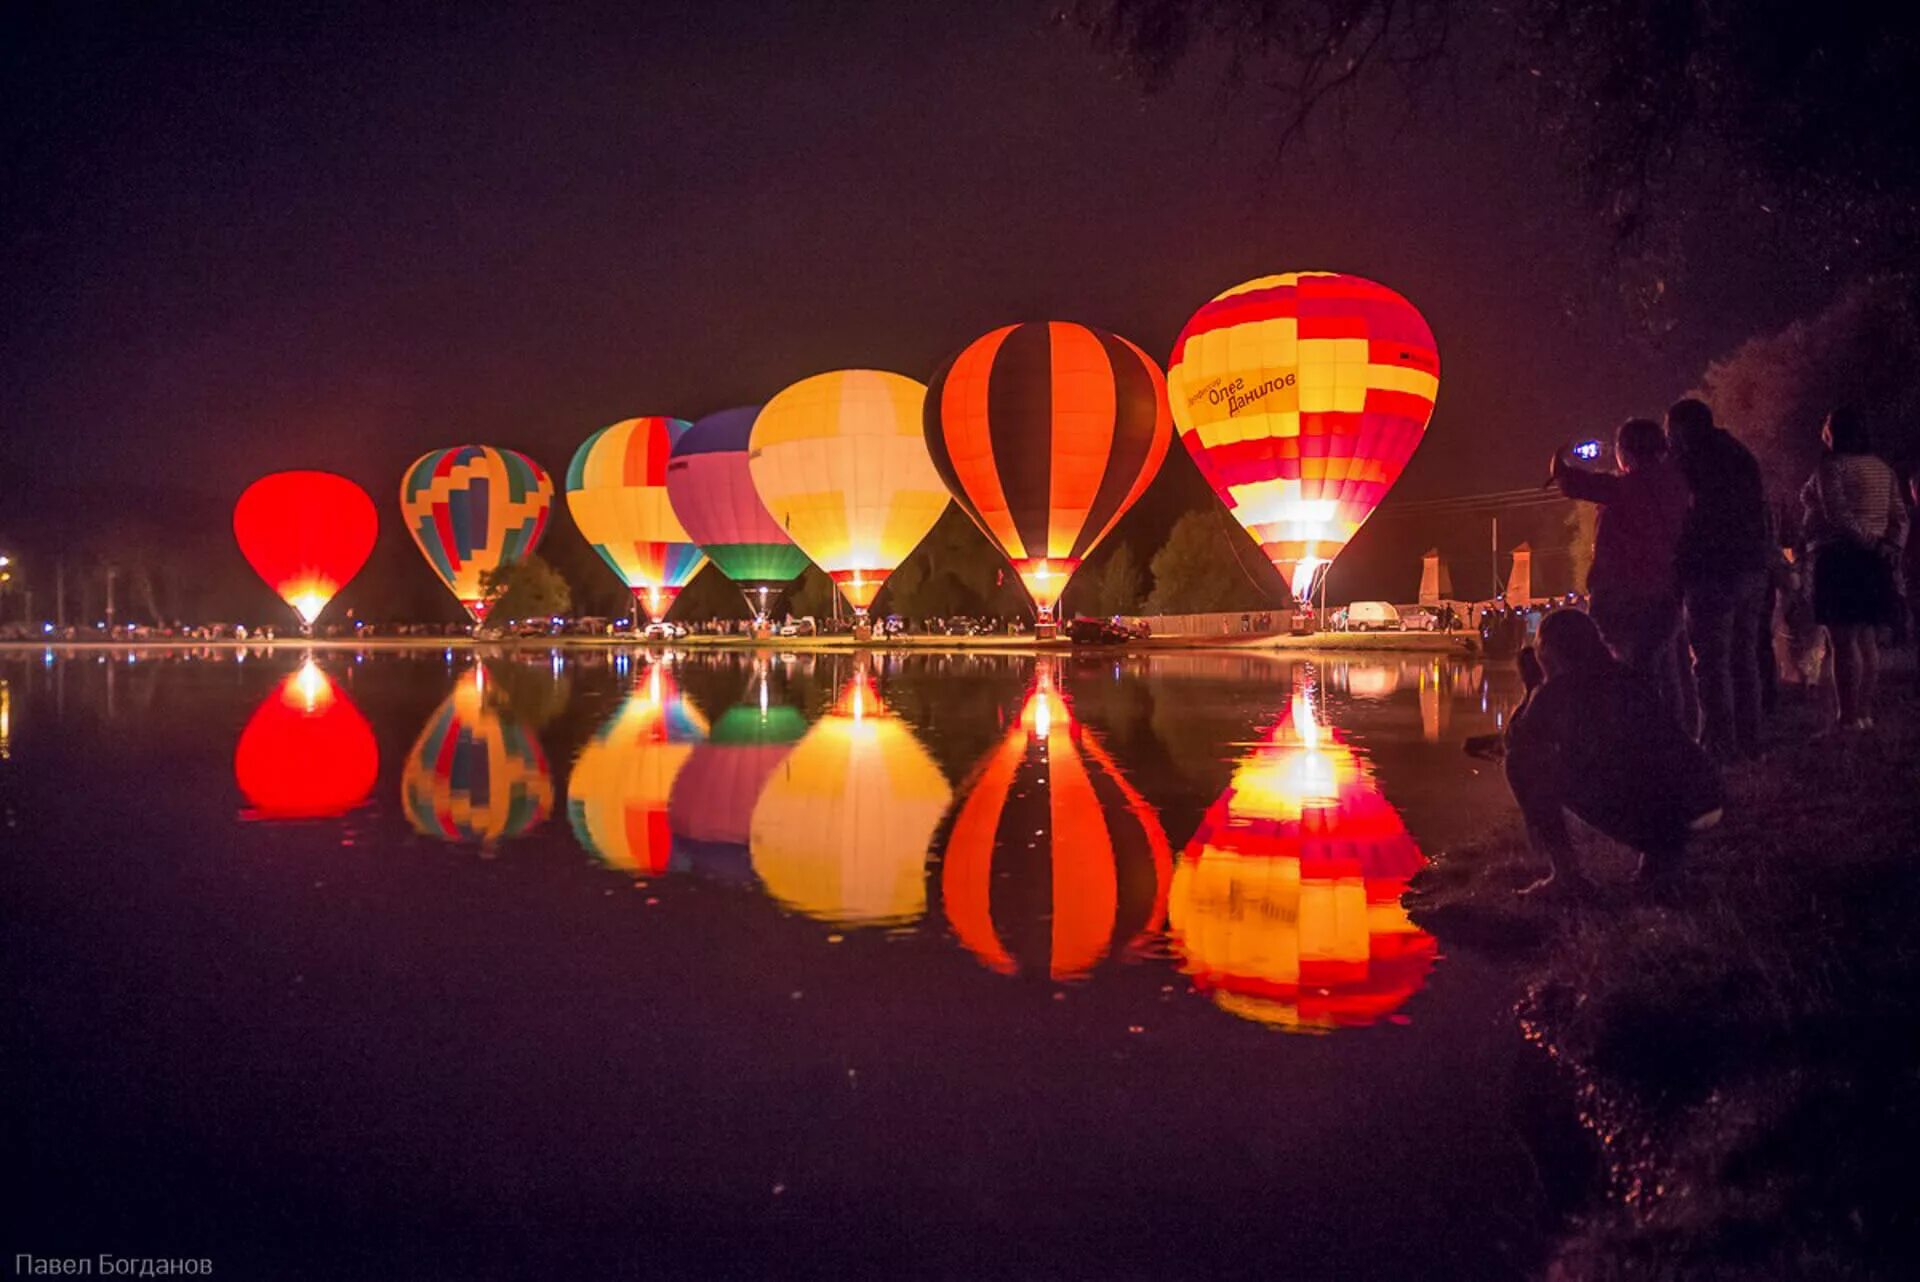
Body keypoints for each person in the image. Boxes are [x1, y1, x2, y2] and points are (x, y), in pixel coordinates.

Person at [1503, 609, 1723, 895]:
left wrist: (1532, 688)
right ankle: (1663, 858)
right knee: (1624, 770)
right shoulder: (1624, 676)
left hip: (1671, 809)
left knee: (1522, 765)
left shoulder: (1558, 690)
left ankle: (1566, 874)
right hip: (1706, 799)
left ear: (1550, 650)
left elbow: (1517, 742)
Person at [1551, 417, 1691, 718]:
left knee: (1617, 671)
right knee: (1665, 672)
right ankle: (1674, 737)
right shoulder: (1678, 487)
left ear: (1624, 452)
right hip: (1665, 594)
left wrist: (1562, 455)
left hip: (1621, 596)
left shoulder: (1622, 489)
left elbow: (1566, 480)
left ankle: (1627, 737)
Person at [1665, 398, 1772, 762]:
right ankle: (1751, 741)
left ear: (1681, 429)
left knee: (1711, 663)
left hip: (1711, 570)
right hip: (1751, 567)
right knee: (1745, 658)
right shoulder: (1741, 456)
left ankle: (1719, 746)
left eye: (1670, 431)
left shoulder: (1689, 463)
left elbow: (1683, 520)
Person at [1799, 407, 1909, 729]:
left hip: (1840, 559)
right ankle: (1864, 713)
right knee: (1866, 639)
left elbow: (1839, 516)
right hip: (1874, 563)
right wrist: (1891, 547)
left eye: (1827, 425)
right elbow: (1900, 516)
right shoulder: (1882, 468)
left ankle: (1847, 717)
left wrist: (1870, 543)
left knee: (1843, 641)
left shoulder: (1831, 467)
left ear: (1834, 431)